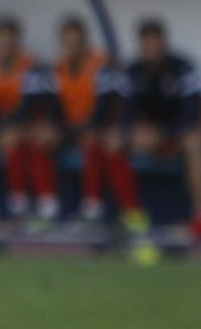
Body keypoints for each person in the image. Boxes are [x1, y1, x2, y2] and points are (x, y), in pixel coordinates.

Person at [27, 18, 155, 261]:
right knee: (39, 139)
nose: (72, 47)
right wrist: (53, 128)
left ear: (85, 43)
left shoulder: (101, 66)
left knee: (98, 142)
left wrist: (102, 129)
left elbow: (107, 107)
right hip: (72, 130)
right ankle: (46, 207)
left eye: (77, 42)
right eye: (68, 43)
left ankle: (102, 210)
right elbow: (54, 109)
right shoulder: (57, 70)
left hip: (99, 130)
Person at [124, 17, 201, 241]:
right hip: (150, 139)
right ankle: (131, 215)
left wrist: (165, 133)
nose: (152, 48)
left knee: (194, 143)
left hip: (177, 135)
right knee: (117, 141)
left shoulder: (182, 67)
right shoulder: (134, 71)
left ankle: (198, 217)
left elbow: (191, 110)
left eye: (156, 41)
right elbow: (127, 113)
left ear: (163, 43)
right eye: (147, 43)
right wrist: (139, 131)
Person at [0, 17, 43, 220]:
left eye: (10, 43)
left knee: (20, 143)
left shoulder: (30, 67)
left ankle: (25, 203)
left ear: (18, 44)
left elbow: (30, 106)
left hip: (26, 126)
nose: (5, 48)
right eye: (1, 43)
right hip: (1, 128)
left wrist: (10, 129)